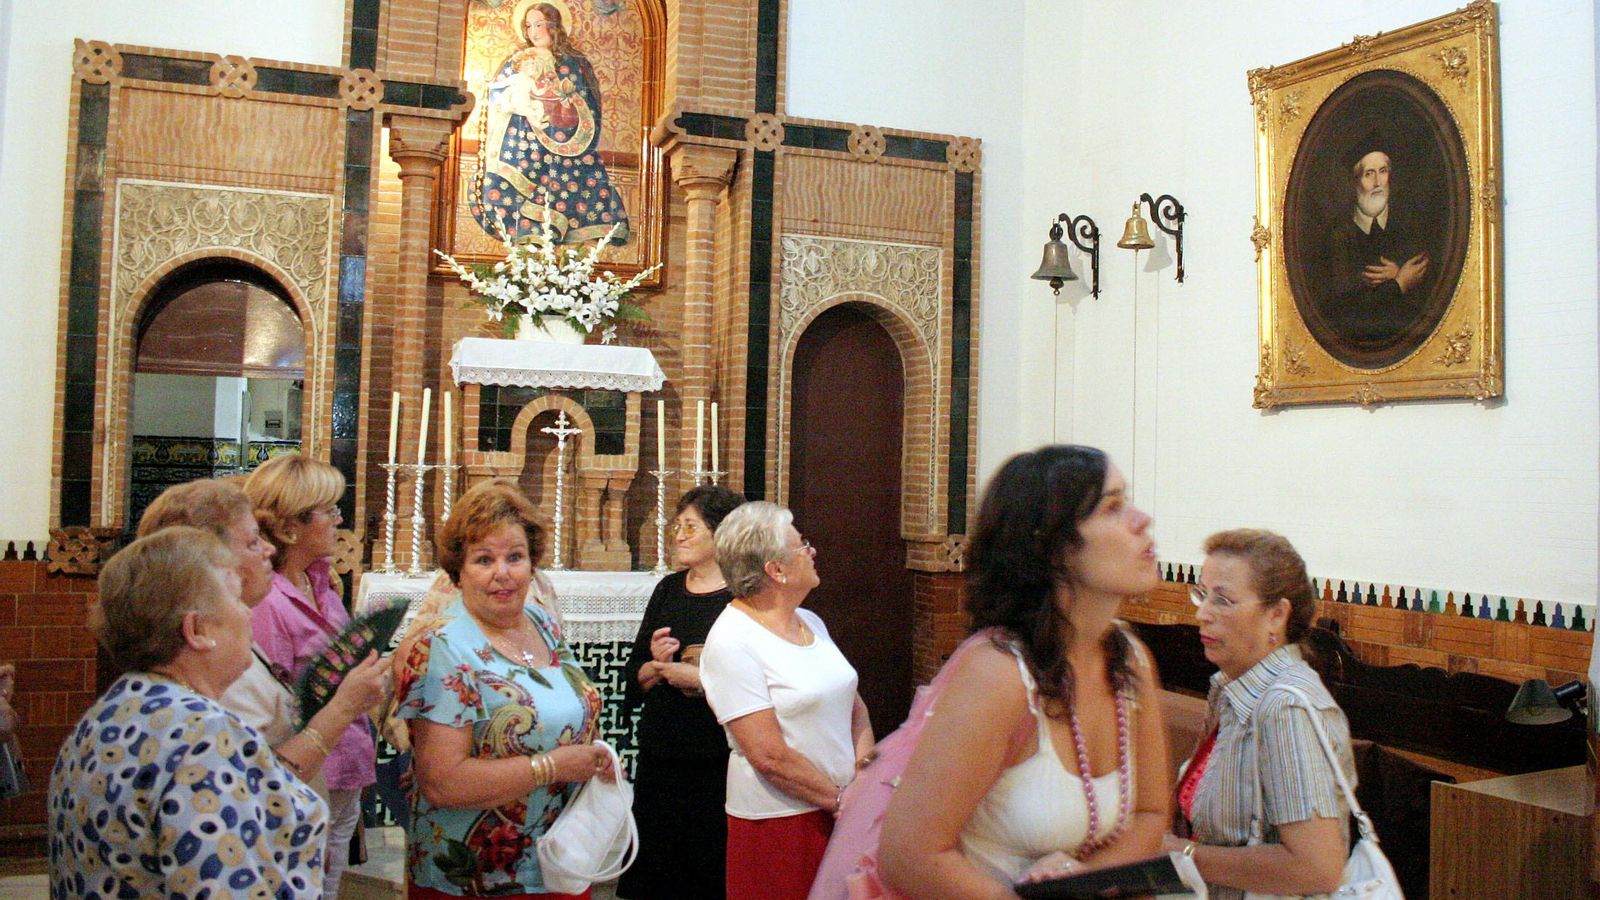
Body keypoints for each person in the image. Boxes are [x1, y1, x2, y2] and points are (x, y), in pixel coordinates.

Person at [877, 445, 1171, 896]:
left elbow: (1151, 815)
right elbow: (909, 855)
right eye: (1113, 507)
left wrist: (1082, 880)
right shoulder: (999, 675)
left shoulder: (1130, 659)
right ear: (1052, 546)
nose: (1141, 519)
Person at [49, 528, 328, 898]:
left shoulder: (108, 712)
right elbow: (226, 886)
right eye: (234, 598)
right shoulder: (202, 736)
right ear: (196, 629)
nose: (247, 613)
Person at [393, 479, 614, 898]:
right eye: (483, 559)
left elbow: (571, 709)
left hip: (560, 859)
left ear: (533, 564)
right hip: (476, 877)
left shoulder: (543, 625)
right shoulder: (441, 646)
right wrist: (554, 767)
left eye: (515, 557)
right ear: (458, 571)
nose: (502, 574)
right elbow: (442, 782)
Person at [138, 478, 392, 792]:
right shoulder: (211, 665)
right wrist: (343, 708)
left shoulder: (217, 648)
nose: (270, 549)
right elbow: (253, 790)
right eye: (253, 542)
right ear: (207, 562)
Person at [1162, 528, 1355, 899]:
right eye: (1201, 595)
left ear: (1276, 615)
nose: (1202, 613)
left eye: (1223, 600)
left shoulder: (1287, 707)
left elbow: (1316, 869)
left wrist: (1182, 854)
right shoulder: (1233, 689)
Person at [700, 501, 875, 900]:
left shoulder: (810, 621)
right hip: (780, 823)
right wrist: (840, 801)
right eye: (802, 546)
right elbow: (768, 755)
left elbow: (853, 704)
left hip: (841, 808)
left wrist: (864, 777)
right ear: (775, 571)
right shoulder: (731, 640)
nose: (812, 552)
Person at [244, 453, 377, 899]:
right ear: (290, 527)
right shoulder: (269, 602)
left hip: (346, 764)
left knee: (327, 885)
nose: (339, 521)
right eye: (331, 511)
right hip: (307, 770)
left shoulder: (320, 583)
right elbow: (275, 707)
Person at [617, 485, 746, 900]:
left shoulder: (742, 598)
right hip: (662, 756)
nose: (679, 535)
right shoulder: (668, 590)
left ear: (721, 534)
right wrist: (652, 666)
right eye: (678, 526)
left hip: (716, 760)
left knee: (708, 874)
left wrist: (702, 680)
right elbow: (633, 676)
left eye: (691, 526)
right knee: (656, 876)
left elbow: (759, 682)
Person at [475, 0, 629, 244]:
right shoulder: (516, 61)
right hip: (520, 141)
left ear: (554, 27)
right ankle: (530, 228)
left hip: (564, 139)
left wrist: (561, 101)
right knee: (501, 181)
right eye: (528, 26)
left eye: (539, 25)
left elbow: (587, 102)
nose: (533, 32)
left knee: (586, 180)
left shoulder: (573, 63)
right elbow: (497, 98)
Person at [1318, 144, 1435, 359]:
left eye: (1383, 171)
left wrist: (1399, 277)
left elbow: (1429, 299)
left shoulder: (1411, 222)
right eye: (1369, 174)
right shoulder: (1339, 235)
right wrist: (1399, 283)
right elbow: (1347, 312)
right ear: (1355, 182)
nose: (1378, 183)